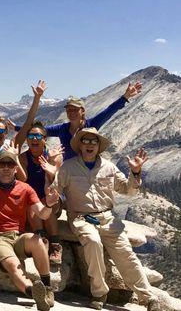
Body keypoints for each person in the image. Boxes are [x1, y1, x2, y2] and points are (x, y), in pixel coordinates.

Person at [50, 128, 159, 310]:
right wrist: (51, 178)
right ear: (80, 145)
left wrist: (135, 173)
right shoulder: (68, 167)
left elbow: (128, 190)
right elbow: (54, 192)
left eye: (94, 141)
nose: (90, 145)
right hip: (81, 217)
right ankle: (99, 292)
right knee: (93, 242)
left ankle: (147, 297)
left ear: (99, 146)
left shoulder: (109, 167)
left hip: (108, 218)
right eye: (86, 141)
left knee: (126, 253)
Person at [0, 150, 59, 311]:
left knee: (38, 241)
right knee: (14, 264)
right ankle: (33, 293)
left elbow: (42, 213)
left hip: (19, 236)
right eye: (2, 164)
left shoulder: (25, 188)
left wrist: (48, 204)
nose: (6, 168)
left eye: (10, 164)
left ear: (15, 168)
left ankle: (47, 289)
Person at [16, 82, 142, 160]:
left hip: (88, 171)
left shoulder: (92, 124)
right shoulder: (62, 128)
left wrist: (125, 97)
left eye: (75, 110)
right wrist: (16, 127)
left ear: (83, 111)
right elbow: (38, 131)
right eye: (69, 110)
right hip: (69, 173)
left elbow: (110, 110)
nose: (71, 113)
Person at [18, 121, 64, 265]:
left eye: (38, 136)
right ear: (27, 139)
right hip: (32, 200)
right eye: (31, 136)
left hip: (52, 197)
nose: (34, 139)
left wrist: (50, 167)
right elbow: (23, 180)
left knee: (46, 205)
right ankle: (43, 241)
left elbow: (56, 185)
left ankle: (55, 246)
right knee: (34, 206)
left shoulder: (55, 156)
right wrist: (15, 159)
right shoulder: (23, 158)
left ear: (45, 139)